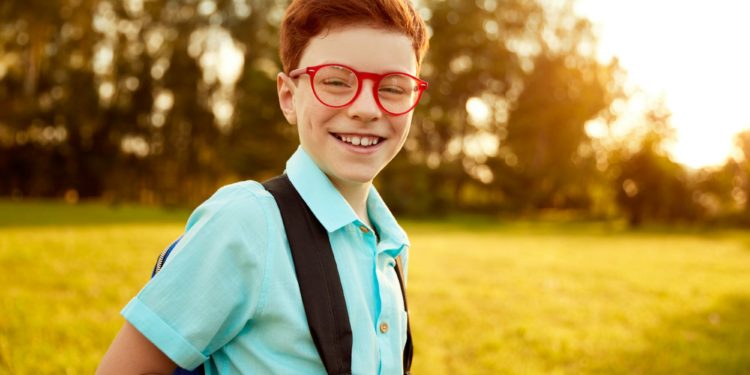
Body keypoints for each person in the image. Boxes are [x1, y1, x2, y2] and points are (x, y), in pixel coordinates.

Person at [96, 0, 429, 373]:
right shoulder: (248, 222)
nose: (366, 109)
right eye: (336, 82)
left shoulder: (391, 245)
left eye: (395, 88)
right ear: (288, 97)